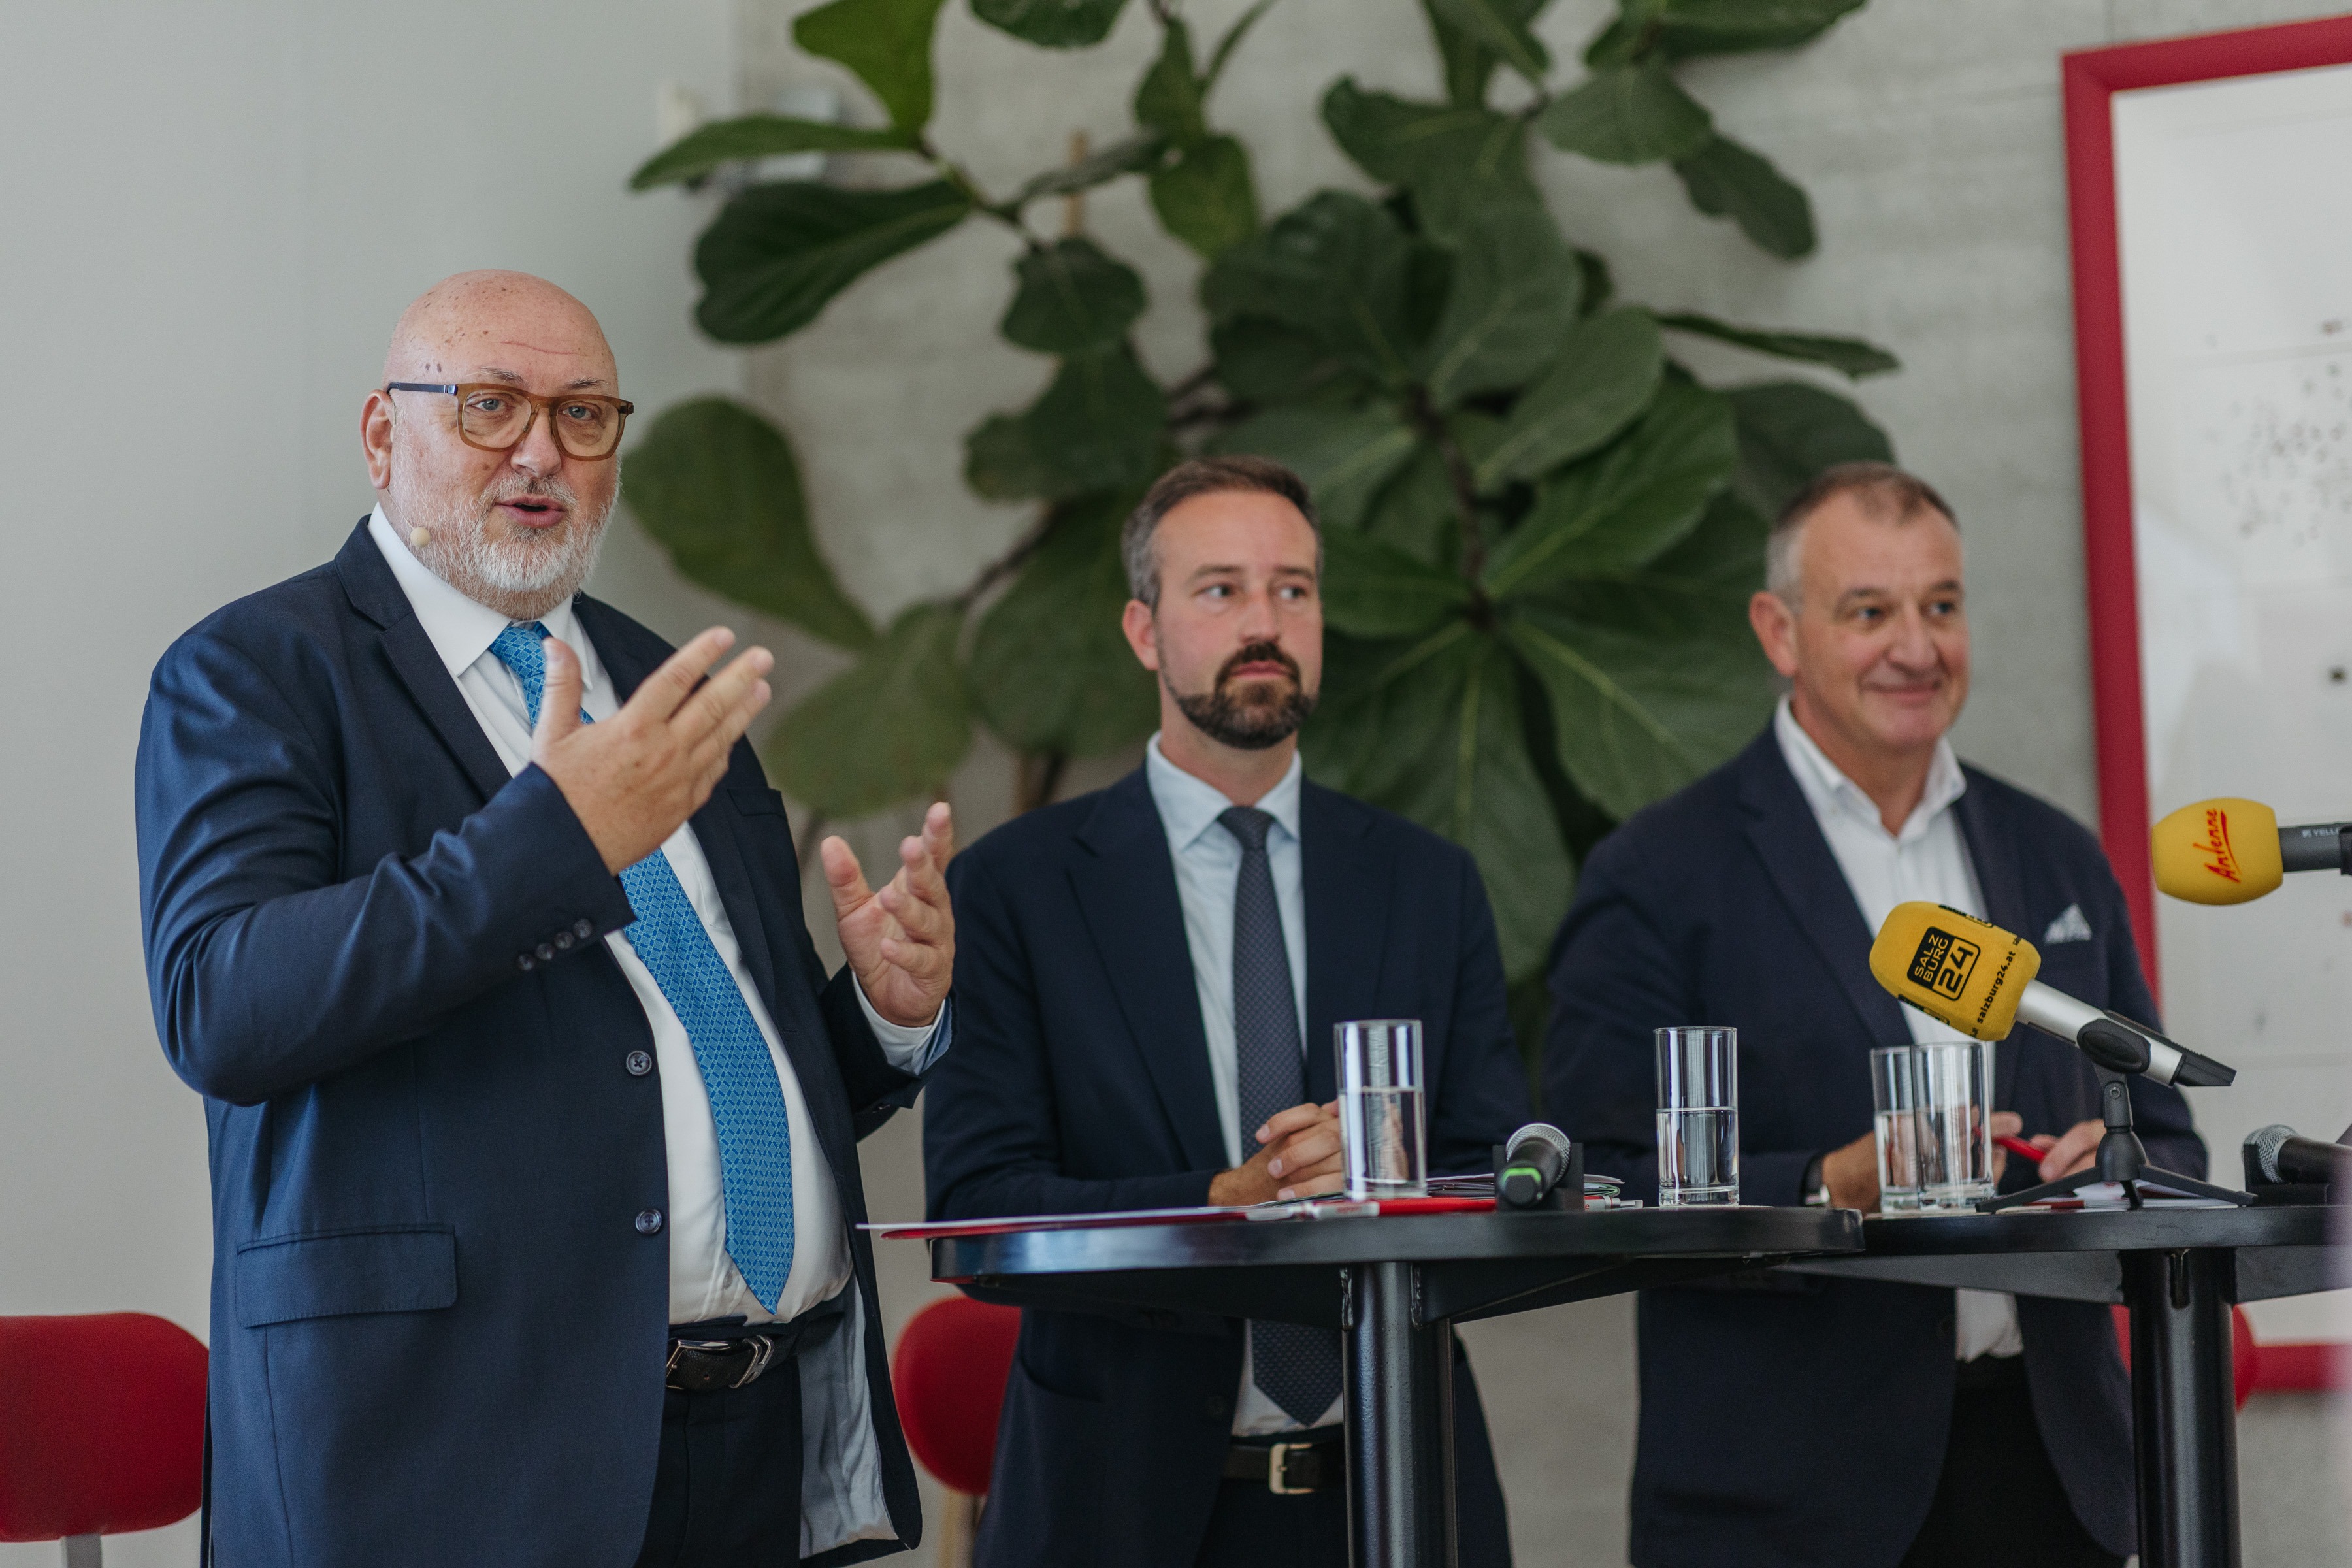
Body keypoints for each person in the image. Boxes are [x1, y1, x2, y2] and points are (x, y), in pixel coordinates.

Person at [136, 271, 955, 1568]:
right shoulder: (258, 670)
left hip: (746, 1439)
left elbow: (717, 1076)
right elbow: (223, 1009)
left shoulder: (666, 685)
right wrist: (552, 842)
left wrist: (880, 1018)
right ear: (382, 433)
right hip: (443, 1454)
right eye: (490, 406)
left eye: (583, 415)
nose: (540, 452)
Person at [1545, 463, 2203, 1568]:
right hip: (1787, 1505)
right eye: (1869, 612)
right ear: (1779, 632)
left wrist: (2120, 1169)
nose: (1916, 647)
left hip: (2055, 1478)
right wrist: (1823, 1187)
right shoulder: (1657, 874)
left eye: (1941, 606)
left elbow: (2171, 1136)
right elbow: (1595, 1181)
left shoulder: (2055, 855)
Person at [924, 457, 1532, 1568]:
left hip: (1400, 1492)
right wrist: (1221, 1204)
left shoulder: (1427, 881)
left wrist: (1389, 1173)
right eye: (1220, 590)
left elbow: (1501, 1168)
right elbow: (979, 1213)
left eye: (1293, 589)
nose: (1265, 624)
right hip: (1116, 1509)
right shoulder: (1018, 888)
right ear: (1143, 631)